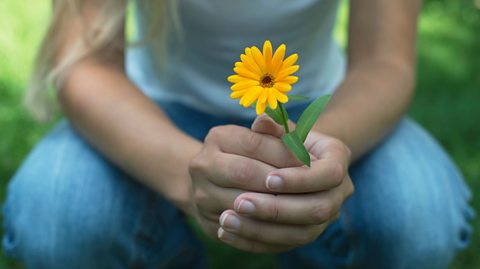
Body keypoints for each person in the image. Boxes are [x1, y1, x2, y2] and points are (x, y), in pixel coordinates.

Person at [2, 0, 474, 268]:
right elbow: (83, 65)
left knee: (420, 211)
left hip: (319, 107)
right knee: (58, 210)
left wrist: (313, 153)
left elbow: (385, 62)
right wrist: (187, 179)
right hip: (149, 111)